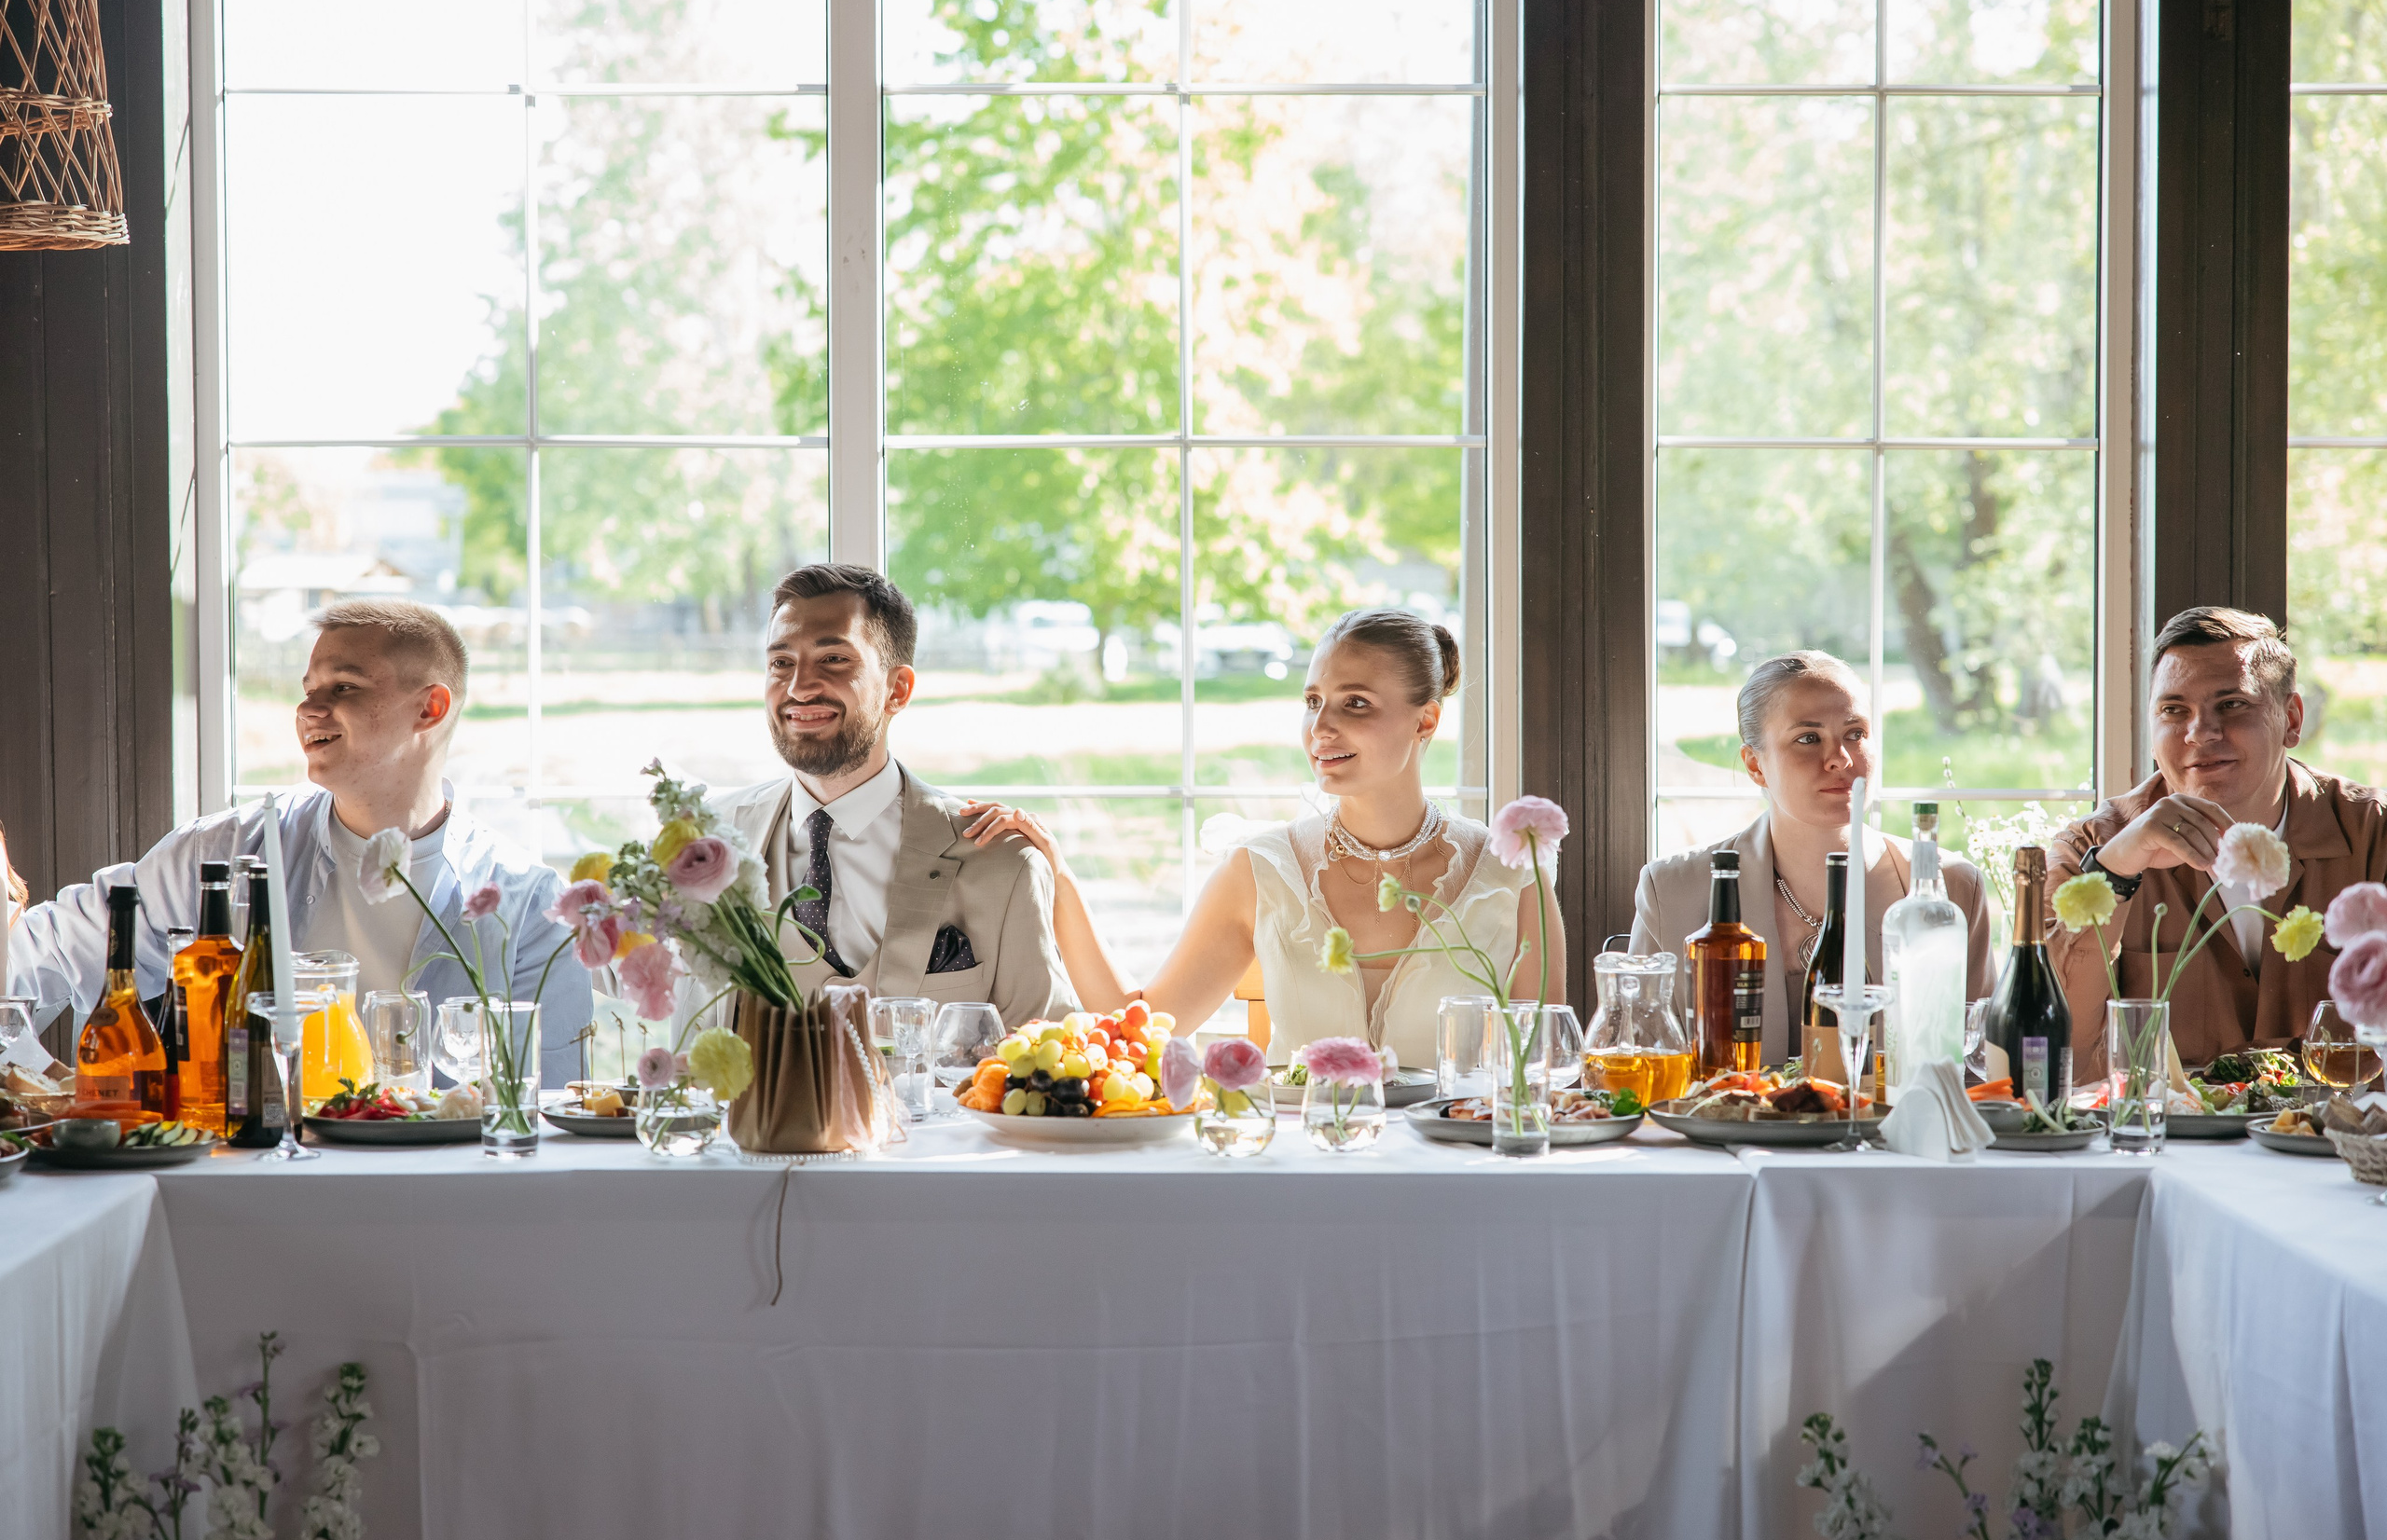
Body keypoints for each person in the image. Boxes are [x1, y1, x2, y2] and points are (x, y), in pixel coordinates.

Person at [7, 599, 592, 1077]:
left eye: (344, 687)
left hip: (446, 1206)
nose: (308, 708)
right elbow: (30, 961)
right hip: (241, 1194)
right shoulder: (220, 855)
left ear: (429, 709)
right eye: (309, 686)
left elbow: (551, 1108)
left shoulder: (529, 902)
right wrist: (48, 1083)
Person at [959, 608, 1563, 1070]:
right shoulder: (1264, 870)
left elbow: (1546, 1071)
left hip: (1462, 1187)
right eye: (1312, 700)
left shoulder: (1510, 872)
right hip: (1296, 1187)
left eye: (1355, 703)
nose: (1321, 727)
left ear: (1425, 719)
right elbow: (1142, 1029)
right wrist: (1060, 876)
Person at [709, 564, 1077, 1031]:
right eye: (781, 663)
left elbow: (1043, 1057)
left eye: (834, 660)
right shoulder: (706, 843)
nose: (799, 687)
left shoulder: (1001, 861)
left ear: (897, 690)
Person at [2048, 606, 2387, 1071]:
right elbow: (2049, 1046)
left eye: (2232, 705)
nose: (2200, 732)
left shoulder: (2375, 835)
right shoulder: (2092, 848)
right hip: (2165, 1140)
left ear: (2291, 719)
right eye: (2173, 710)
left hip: (2335, 1140)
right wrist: (2116, 872)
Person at [1629, 651, 1995, 1065]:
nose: (1841, 757)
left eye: (1856, 733)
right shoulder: (1672, 890)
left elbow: (1978, 1068)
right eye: (1808, 738)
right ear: (1755, 765)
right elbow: (1641, 1058)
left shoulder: (1952, 886)